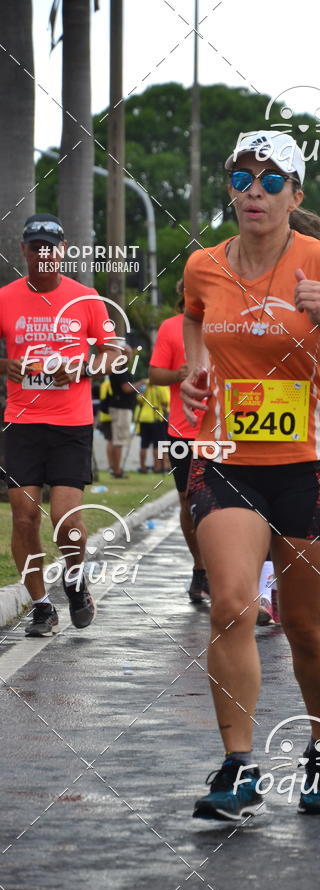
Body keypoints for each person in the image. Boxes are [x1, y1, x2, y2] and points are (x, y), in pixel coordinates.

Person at [180, 130, 320, 821]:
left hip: (313, 469)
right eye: (242, 179)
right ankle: (238, 767)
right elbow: (193, 320)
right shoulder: (205, 265)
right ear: (230, 190)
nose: (255, 192)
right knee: (232, 604)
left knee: (304, 624)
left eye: (271, 181)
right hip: (228, 465)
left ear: (296, 195)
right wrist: (196, 373)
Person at [0, 213, 117, 636]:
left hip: (71, 423)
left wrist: (83, 367)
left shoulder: (86, 298)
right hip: (23, 420)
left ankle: (74, 578)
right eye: (36, 247)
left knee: (66, 520)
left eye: (51, 247)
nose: (43, 254)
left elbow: (114, 351)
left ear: (63, 250)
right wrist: (5, 365)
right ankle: (42, 607)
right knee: (25, 514)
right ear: (25, 251)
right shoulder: (6, 297)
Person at [149, 287, 209, 604]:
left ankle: (231, 572)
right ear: (183, 294)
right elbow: (154, 374)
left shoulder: (228, 323)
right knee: (188, 500)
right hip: (183, 430)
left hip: (225, 431)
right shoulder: (171, 327)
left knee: (230, 502)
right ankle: (200, 569)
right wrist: (178, 374)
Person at [108, 353, 143, 478]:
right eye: (127, 353)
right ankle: (117, 471)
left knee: (116, 439)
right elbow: (126, 388)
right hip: (121, 409)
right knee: (119, 440)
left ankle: (115, 468)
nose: (130, 356)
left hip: (121, 408)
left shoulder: (118, 369)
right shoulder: (120, 370)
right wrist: (140, 383)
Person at [134, 378, 170, 473]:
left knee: (144, 444)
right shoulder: (161, 384)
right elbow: (166, 400)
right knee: (157, 444)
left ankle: (143, 467)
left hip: (143, 418)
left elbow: (139, 398)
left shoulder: (146, 383)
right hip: (156, 417)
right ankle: (157, 467)